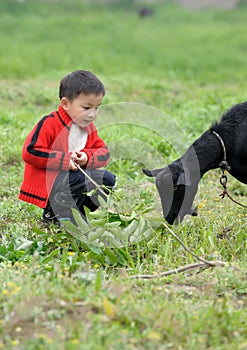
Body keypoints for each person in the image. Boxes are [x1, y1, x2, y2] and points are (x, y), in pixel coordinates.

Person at [19, 70, 116, 225]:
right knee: (78, 179)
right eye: (86, 108)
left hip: (73, 179)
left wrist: (87, 157)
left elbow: (104, 154)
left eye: (97, 108)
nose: (92, 114)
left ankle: (78, 213)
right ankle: (54, 214)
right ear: (65, 104)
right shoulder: (50, 124)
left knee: (108, 180)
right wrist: (63, 160)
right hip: (50, 182)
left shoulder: (89, 128)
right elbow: (30, 151)